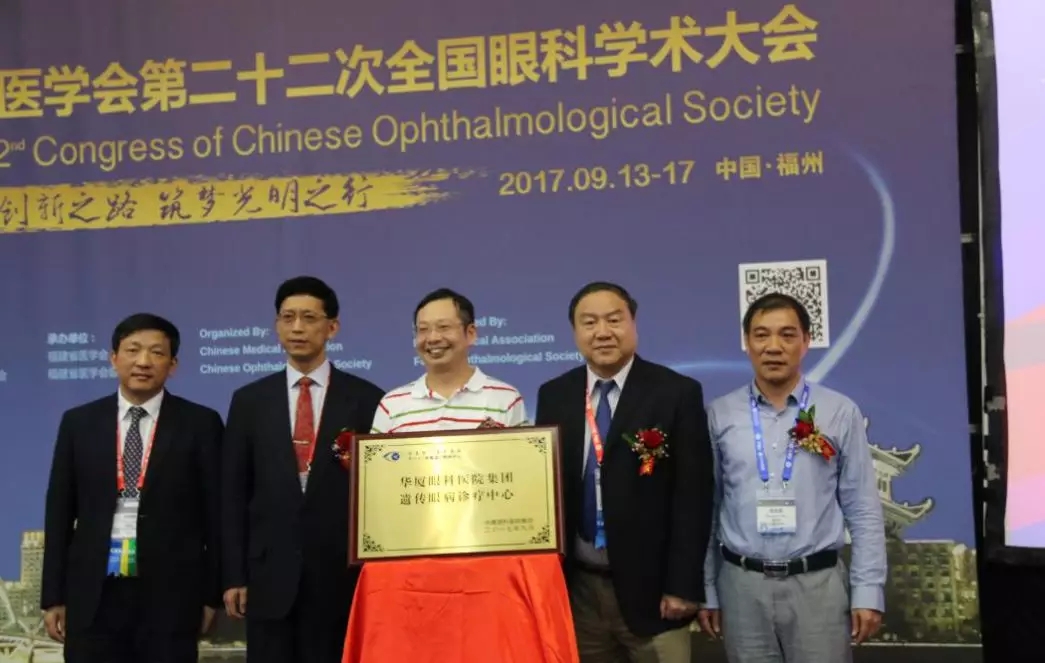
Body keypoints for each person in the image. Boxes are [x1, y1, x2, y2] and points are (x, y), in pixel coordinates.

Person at [697, 292, 887, 662]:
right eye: (761, 335)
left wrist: (868, 591)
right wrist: (707, 588)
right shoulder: (719, 414)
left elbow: (863, 507)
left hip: (818, 585)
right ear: (747, 342)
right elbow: (707, 508)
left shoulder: (839, 412)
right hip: (741, 587)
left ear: (806, 341)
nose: (773, 347)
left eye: (787, 335)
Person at [535, 281, 713, 663]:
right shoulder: (554, 395)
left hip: (655, 594)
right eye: (589, 322)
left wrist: (683, 585)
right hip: (580, 593)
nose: (602, 332)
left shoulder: (676, 393)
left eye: (614, 320)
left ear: (633, 323)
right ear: (575, 332)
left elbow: (693, 497)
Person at [40, 313, 223, 663]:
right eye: (133, 350)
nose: (143, 361)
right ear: (113, 358)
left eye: (157, 352)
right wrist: (53, 596)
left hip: (171, 596)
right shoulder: (79, 423)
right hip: (94, 594)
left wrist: (210, 596)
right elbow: (59, 512)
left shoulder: (201, 423)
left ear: (173, 365)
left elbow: (216, 516)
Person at [220, 276, 384, 663]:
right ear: (276, 325)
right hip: (267, 577)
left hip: (340, 577)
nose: (297, 327)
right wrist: (234, 576)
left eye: (309, 318)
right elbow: (233, 494)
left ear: (332, 327)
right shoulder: (249, 401)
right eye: (288, 317)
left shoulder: (367, 399)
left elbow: (378, 497)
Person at [370, 288, 527, 434]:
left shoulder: (506, 399)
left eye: (443, 327)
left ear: (470, 333)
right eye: (423, 329)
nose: (433, 338)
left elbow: (523, 454)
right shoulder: (391, 405)